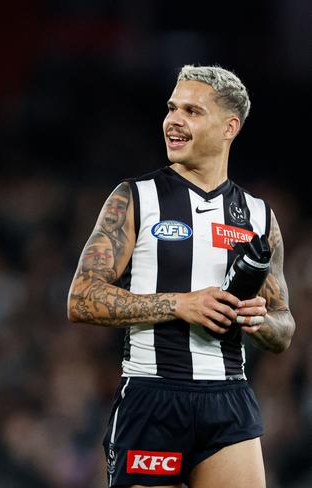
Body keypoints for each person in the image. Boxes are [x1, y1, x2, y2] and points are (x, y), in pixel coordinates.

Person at [67, 65, 295, 488]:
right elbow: (80, 298)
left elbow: (284, 327)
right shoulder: (135, 197)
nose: (173, 120)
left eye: (192, 110)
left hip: (229, 398)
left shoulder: (259, 215)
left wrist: (258, 319)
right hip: (154, 395)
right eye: (172, 108)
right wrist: (180, 303)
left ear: (230, 127)